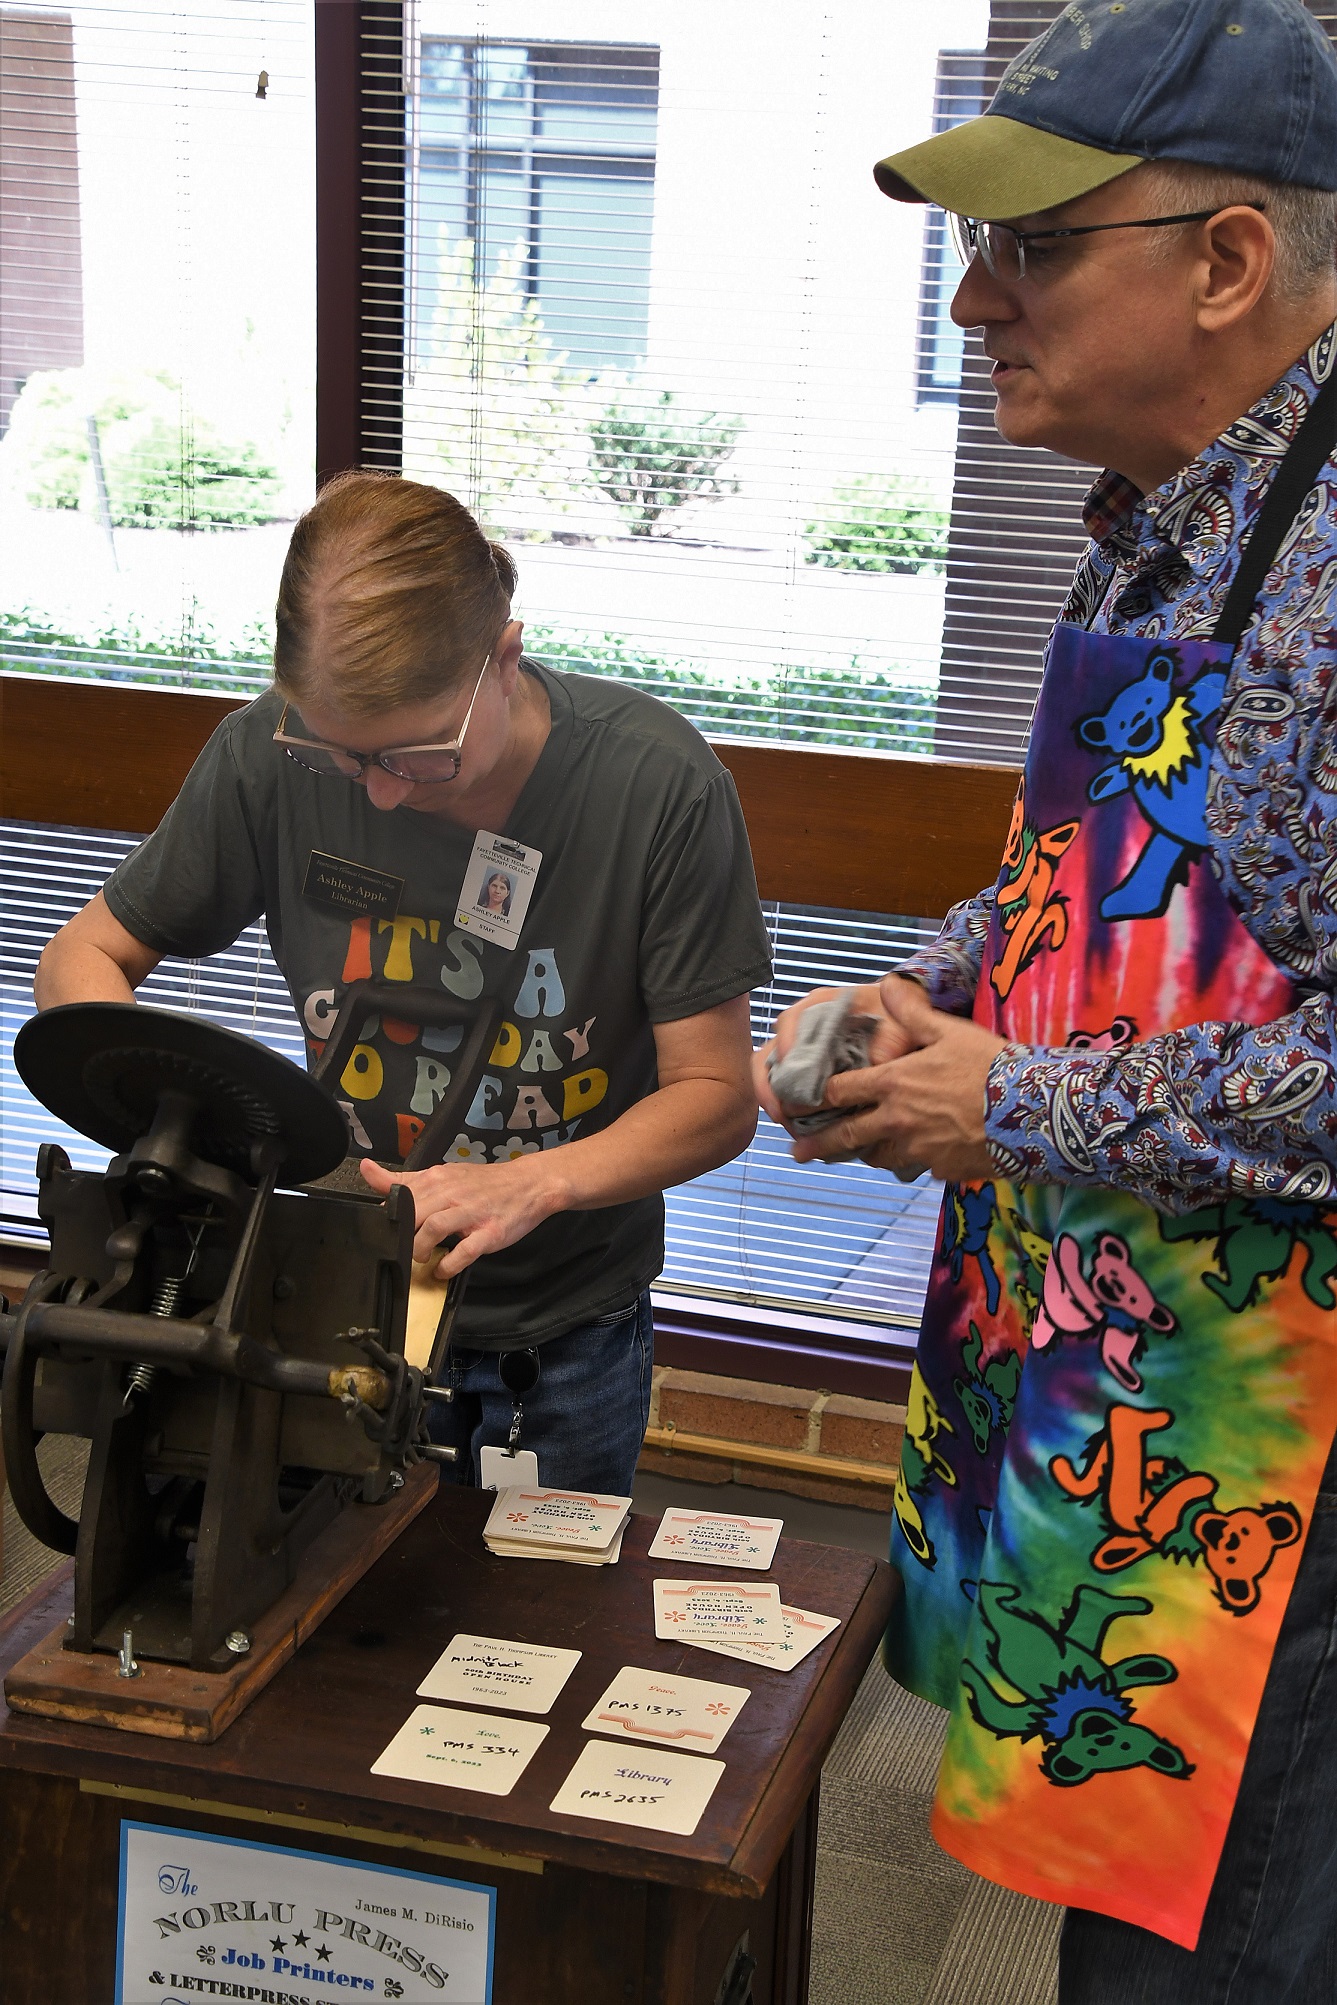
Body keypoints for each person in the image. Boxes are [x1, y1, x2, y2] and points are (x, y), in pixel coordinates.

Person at [758, 1, 1337, 1996]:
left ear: (1223, 261)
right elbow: (1072, 873)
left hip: (1287, 1498)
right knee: (1107, 1919)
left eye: (1027, 248)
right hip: (1129, 1415)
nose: (967, 305)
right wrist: (912, 1002)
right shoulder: (1146, 539)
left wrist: (1006, 1105)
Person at [38, 471, 770, 1496]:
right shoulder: (266, 755)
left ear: (502, 659)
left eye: (418, 756)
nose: (379, 790)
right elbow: (86, 956)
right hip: (327, 1298)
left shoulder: (656, 788)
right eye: (342, 755)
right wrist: (164, 1117)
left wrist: (530, 1181)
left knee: (541, 1629)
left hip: (555, 1336)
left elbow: (715, 1099)